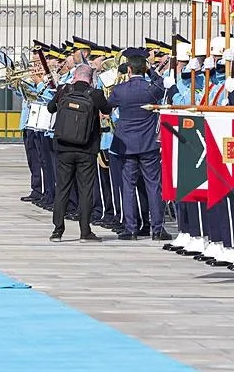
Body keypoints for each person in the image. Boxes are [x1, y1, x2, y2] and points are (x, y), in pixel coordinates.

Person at [108, 48, 172, 241]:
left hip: (126, 144)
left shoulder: (119, 90)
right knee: (153, 186)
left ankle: (131, 229)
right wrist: (150, 70)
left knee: (128, 187)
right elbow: (162, 85)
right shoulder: (150, 89)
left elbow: (109, 105)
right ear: (144, 69)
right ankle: (157, 228)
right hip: (148, 143)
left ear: (128, 69)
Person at [47, 64, 112, 242]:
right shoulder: (95, 94)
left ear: (75, 76)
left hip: (63, 147)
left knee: (62, 189)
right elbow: (107, 110)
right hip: (86, 149)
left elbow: (50, 108)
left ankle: (57, 231)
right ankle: (85, 232)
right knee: (85, 190)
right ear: (91, 79)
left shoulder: (63, 89)